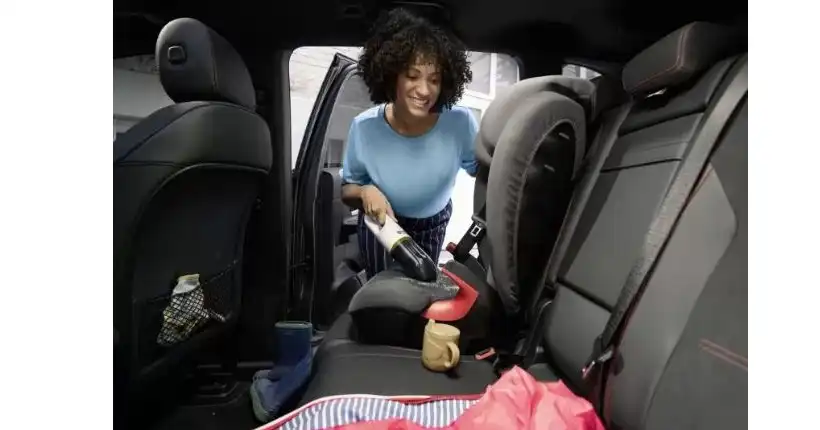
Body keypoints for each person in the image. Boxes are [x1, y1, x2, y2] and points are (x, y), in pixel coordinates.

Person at [340, 8, 478, 280]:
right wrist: (366, 191)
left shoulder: (460, 123)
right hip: (382, 224)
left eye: (434, 79)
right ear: (392, 74)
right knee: (381, 292)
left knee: (421, 293)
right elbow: (347, 190)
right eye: (413, 76)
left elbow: (485, 174)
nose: (424, 90)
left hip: (433, 224)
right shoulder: (364, 127)